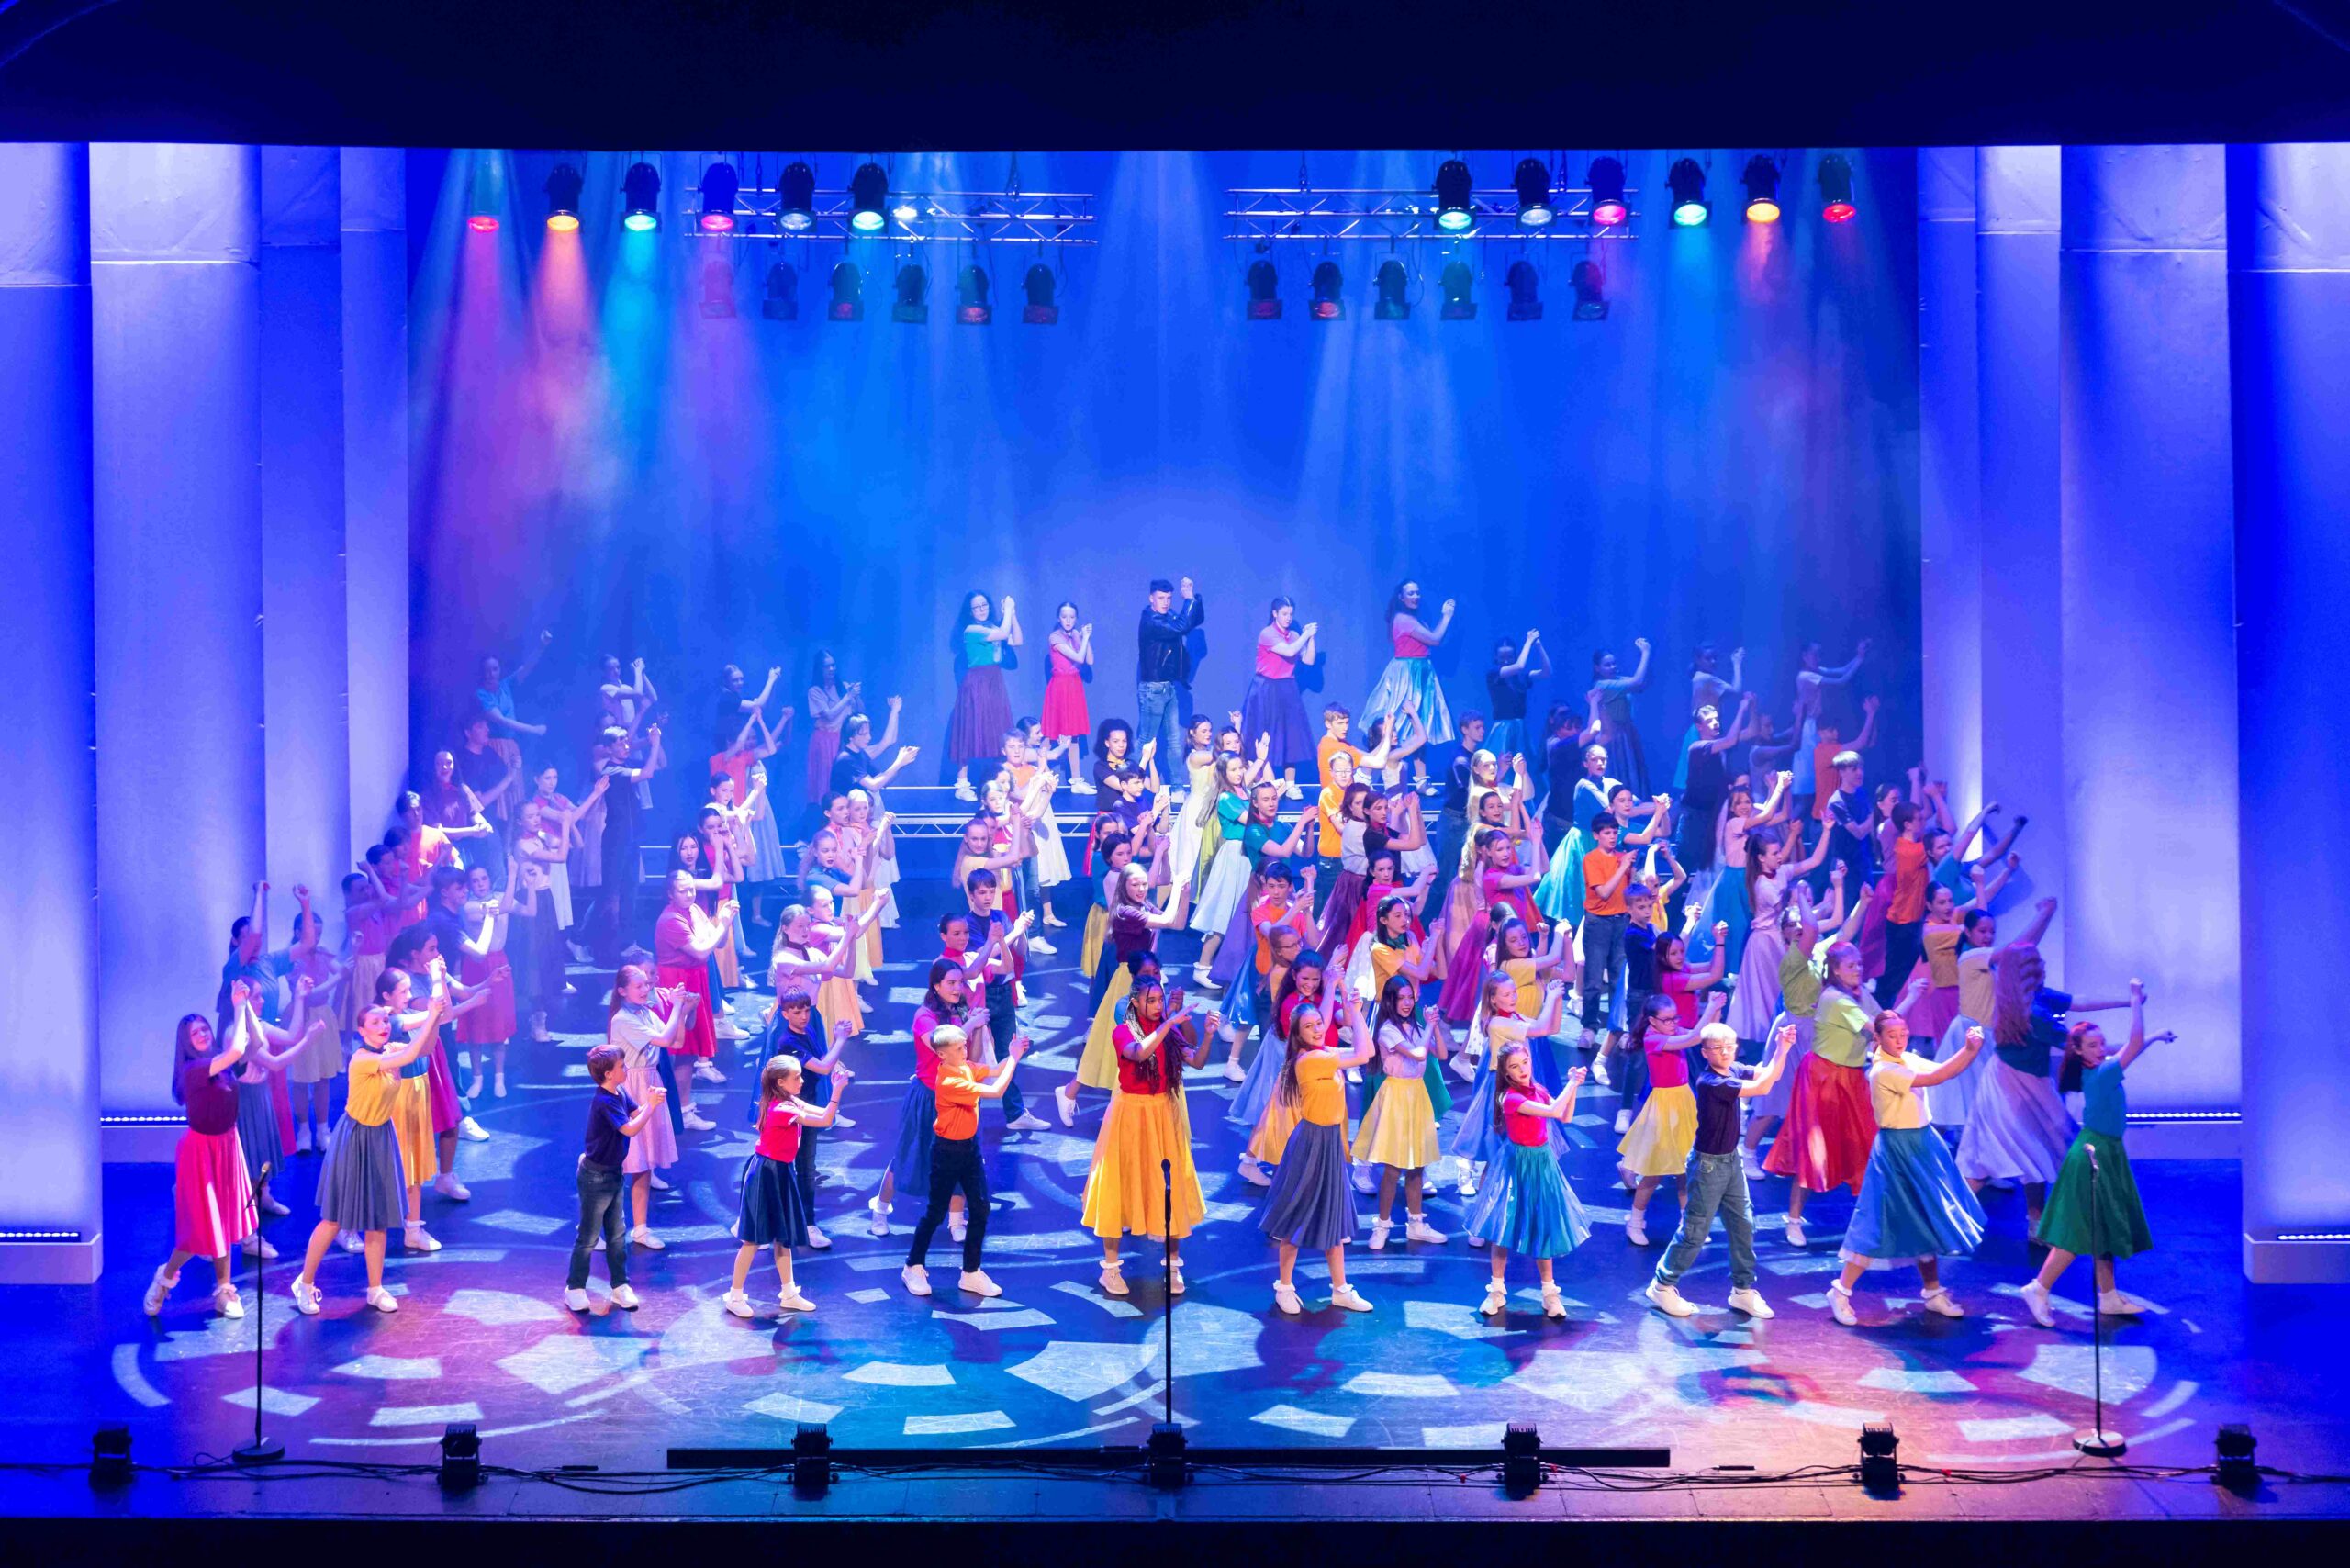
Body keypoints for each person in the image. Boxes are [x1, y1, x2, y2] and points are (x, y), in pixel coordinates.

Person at [1957, 927, 2132, 1227]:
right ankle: (1948, 1221)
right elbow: (2079, 1046)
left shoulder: (2028, 995)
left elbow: (2079, 1001)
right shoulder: (2033, 1012)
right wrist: (2131, 1046)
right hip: (2010, 1088)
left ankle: (2036, 1221)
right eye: (2038, 962)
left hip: (2025, 1082)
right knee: (2012, 1153)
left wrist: (2128, 1001)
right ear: (2027, 971)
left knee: (2037, 1152)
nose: (2044, 965)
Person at [289, 988, 446, 1316]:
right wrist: (430, 1014)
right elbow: (406, 1057)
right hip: (355, 1138)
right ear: (361, 1031)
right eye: (375, 1022)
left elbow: (425, 1047)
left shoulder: (390, 1048)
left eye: (385, 1020)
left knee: (377, 1220)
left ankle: (375, 1289)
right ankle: (304, 1283)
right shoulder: (363, 1060)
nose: (383, 1025)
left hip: (381, 1136)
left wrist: (437, 1009)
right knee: (334, 1220)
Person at [2020, 981, 2169, 1326]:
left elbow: (2128, 1052)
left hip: (2107, 1152)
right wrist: (2134, 1001)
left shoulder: (2099, 1070)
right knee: (2078, 1233)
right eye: (2093, 1045)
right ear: (2078, 1051)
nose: (2101, 1049)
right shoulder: (2101, 1075)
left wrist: (2155, 1037)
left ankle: (2108, 1296)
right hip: (2092, 1156)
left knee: (2103, 1231)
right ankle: (2038, 1288)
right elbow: (2130, 1046)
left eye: (2102, 1043)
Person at [1826, 1014, 1990, 1326]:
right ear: (1878, 1037)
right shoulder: (1884, 1070)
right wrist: (1970, 1050)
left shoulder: (1904, 1058)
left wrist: (1970, 1051)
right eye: (1892, 1035)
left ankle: (1932, 1291)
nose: (1900, 1040)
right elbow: (1939, 1076)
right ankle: (1840, 1290)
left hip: (1922, 1145)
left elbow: (1942, 1069)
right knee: (1877, 1222)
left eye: (1903, 1033)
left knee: (1925, 1218)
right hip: (1896, 1151)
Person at [1643, 1022, 1796, 1318]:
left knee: (1744, 1225)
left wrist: (1781, 1046)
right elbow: (1763, 1086)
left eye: (1730, 1046)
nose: (1725, 1052)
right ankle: (1662, 1285)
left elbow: (1763, 1072)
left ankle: (1743, 1290)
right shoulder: (1712, 1082)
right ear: (1705, 1052)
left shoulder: (1733, 1070)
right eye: (1718, 1048)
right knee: (1695, 1231)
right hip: (1709, 1166)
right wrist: (1783, 1048)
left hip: (1730, 1161)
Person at [1080, 974, 1214, 1297]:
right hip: (1130, 1114)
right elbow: (1138, 1053)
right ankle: (1110, 1270)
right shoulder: (1122, 1031)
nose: (1157, 1006)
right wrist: (1168, 1024)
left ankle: (1172, 1265)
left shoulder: (1167, 1033)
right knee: (1119, 1186)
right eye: (1150, 1001)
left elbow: (1196, 1061)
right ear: (1135, 1003)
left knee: (1169, 1188)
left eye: (1160, 1000)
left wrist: (1208, 1035)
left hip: (1163, 1114)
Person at [1259, 991, 1380, 1314]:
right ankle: (1284, 1286)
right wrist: (1354, 1012)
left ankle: (1340, 1288)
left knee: (1333, 1218)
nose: (1315, 1029)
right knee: (1296, 1216)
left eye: (1319, 1023)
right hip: (1311, 1144)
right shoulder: (1311, 1060)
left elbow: (1363, 1051)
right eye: (1308, 1026)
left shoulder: (1324, 1052)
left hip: (1329, 1143)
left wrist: (1354, 1012)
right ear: (1297, 1034)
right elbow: (1365, 1053)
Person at [140, 1007, 258, 1320]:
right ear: (186, 1043)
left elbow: (251, 1046)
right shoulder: (194, 1070)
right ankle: (164, 1278)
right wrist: (237, 1004)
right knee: (200, 1230)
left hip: (228, 1146)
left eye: (206, 1029)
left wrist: (247, 1008)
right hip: (200, 1152)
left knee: (226, 1222)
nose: (204, 1035)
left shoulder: (223, 1067)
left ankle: (224, 1290)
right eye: (196, 1032)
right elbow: (238, 1048)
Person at [902, 1026, 1031, 1299]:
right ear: (942, 1054)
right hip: (947, 1152)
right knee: (935, 1213)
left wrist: (1012, 1054)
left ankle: (971, 1272)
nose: (965, 1051)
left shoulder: (966, 1067)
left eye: (964, 1046)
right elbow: (996, 1091)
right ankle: (912, 1266)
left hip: (969, 1149)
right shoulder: (949, 1080)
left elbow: (995, 1071)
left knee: (981, 1207)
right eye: (959, 1048)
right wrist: (1015, 1059)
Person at [725, 1051, 854, 1317]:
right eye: (796, 1077)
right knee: (752, 1240)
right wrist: (837, 1090)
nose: (801, 1081)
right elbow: (826, 1120)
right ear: (781, 1082)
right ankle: (735, 1295)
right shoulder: (783, 1109)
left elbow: (823, 1113)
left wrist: (834, 1096)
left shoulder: (788, 1099)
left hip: (781, 1172)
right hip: (766, 1175)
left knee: (783, 1238)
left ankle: (789, 1292)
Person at [1467, 1042, 1591, 1319]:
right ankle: (1496, 1290)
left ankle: (1549, 1293)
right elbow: (1554, 1112)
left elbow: (1565, 1115)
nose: (1522, 1069)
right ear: (1507, 1073)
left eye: (1525, 1062)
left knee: (1543, 1225)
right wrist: (1571, 1083)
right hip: (1516, 1164)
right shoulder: (1510, 1098)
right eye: (1515, 1066)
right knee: (1504, 1227)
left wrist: (1576, 1087)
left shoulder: (1541, 1092)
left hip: (1542, 1163)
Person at [1616, 990, 1727, 1246]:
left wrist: (1716, 1007)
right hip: (1663, 1106)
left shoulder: (1671, 1031)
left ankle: (1688, 1224)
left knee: (1685, 1169)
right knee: (1654, 1172)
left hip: (1683, 1101)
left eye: (1675, 1018)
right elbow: (1694, 1037)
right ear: (1652, 1020)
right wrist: (1709, 1007)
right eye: (1667, 1019)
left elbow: (1706, 1032)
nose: (1673, 1023)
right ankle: (1635, 1223)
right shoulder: (1653, 1038)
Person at [1353, 974, 1452, 1249]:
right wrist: (1430, 1028)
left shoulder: (1416, 1026)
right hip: (1396, 1096)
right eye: (1402, 998)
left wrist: (1434, 1026)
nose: (1407, 1003)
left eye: (1410, 997)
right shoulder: (1388, 1030)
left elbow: (1440, 1055)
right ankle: (1382, 1225)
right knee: (1393, 1168)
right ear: (1391, 1001)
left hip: (1417, 1095)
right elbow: (1419, 1054)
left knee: (1417, 1165)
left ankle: (1416, 1223)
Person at [565, 1044, 664, 1313]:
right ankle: (574, 1288)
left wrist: (649, 1102)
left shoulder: (618, 1092)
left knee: (617, 1235)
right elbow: (630, 1129)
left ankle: (620, 1286)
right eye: (622, 1066)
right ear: (609, 1074)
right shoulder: (604, 1101)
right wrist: (652, 1108)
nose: (626, 1069)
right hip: (595, 1177)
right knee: (588, 1236)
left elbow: (634, 1112)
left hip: (613, 1174)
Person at [607, 965, 691, 1250]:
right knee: (619, 1163)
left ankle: (640, 1229)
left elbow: (676, 1040)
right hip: (631, 1087)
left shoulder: (645, 1013)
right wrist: (677, 1006)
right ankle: (595, 1225)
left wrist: (683, 1011)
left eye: (647, 985)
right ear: (622, 991)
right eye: (639, 986)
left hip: (650, 1081)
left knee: (642, 1165)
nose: (646, 990)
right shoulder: (622, 1019)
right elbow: (665, 1039)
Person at [653, 869, 738, 1131]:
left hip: (694, 979)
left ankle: (682, 1108)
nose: (689, 894)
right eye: (683, 890)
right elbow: (701, 951)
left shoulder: (696, 911)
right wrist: (722, 924)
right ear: (670, 893)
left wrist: (726, 921)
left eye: (691, 889)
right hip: (678, 982)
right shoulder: (671, 920)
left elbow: (718, 943)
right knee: (682, 1048)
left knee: (689, 1051)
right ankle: (678, 1110)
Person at [948, 590, 1022, 801]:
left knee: (997, 728)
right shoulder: (972, 629)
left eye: (984, 605)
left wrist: (1013, 613)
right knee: (971, 729)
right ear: (970, 612)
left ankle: (999, 781)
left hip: (994, 681)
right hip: (977, 683)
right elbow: (1002, 634)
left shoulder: (991, 626)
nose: (981, 610)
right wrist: (1006, 611)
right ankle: (962, 784)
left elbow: (1017, 639)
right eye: (977, 607)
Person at [1365, 580, 1456, 745]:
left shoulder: (1416, 619)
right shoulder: (1403, 619)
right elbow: (1435, 639)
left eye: (1417, 593)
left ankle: (1420, 771)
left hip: (1421, 671)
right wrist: (1446, 617)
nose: (1415, 597)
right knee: (1405, 721)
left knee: (1419, 724)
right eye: (1411, 593)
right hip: (1408, 672)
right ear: (1401, 597)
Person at [1243, 597, 1319, 790]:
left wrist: (1311, 638)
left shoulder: (1294, 634)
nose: (1288, 618)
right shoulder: (1267, 634)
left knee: (1290, 736)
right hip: (1265, 689)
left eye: (1291, 614)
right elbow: (1289, 651)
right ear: (1275, 613)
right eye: (1284, 614)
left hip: (1287, 689)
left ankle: (1290, 785)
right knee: (1262, 733)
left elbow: (1308, 660)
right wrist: (1305, 634)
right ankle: (1261, 782)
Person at [1136, 576, 1205, 769]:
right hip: (1153, 688)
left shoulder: (1168, 616)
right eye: (1161, 598)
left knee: (1174, 741)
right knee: (1147, 741)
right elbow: (1181, 627)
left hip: (1169, 686)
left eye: (1168, 598)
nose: (1165, 603)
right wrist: (1189, 601)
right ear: (1151, 598)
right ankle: (1133, 782)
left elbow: (1194, 620)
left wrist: (1192, 597)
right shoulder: (1151, 620)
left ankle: (1176, 787)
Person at [1588, 638, 1653, 795]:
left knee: (1634, 779)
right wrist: (1646, 652)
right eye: (1607, 665)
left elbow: (1642, 683)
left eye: (1614, 663)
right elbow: (1637, 681)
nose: (1612, 667)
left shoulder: (1616, 680)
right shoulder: (1603, 686)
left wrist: (1648, 659)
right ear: (1597, 668)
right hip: (1614, 738)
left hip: (1627, 734)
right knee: (1620, 778)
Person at [1040, 604, 1096, 787]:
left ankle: (1076, 779)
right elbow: (1078, 659)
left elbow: (1089, 660)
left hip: (1074, 686)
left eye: (1072, 617)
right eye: (1064, 617)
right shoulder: (1055, 637)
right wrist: (1085, 637)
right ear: (1059, 618)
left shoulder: (1075, 635)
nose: (1068, 621)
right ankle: (1040, 773)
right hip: (1060, 686)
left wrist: (1084, 638)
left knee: (1073, 734)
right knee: (1051, 732)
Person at [804, 649, 858, 807]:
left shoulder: (843, 687)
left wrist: (855, 696)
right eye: (826, 666)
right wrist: (848, 696)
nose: (831, 669)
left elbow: (857, 712)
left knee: (844, 777)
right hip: (825, 739)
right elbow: (829, 715)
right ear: (819, 669)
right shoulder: (815, 691)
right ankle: (826, 816)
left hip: (842, 738)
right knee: (825, 780)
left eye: (833, 665)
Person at [1484, 631, 1548, 765]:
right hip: (1503, 729)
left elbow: (1546, 672)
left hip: (1520, 728)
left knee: (1525, 766)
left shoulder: (1521, 676)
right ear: (1496, 657)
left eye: (1510, 657)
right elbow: (1519, 666)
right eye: (1502, 657)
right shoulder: (1494, 674)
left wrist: (1539, 646)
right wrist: (1528, 642)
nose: (1506, 661)